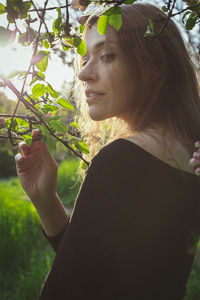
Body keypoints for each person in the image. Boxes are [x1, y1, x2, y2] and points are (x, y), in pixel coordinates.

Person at [15, 3, 200, 300]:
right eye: (85, 58)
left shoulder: (122, 160)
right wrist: (46, 200)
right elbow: (99, 271)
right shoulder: (189, 156)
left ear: (155, 64)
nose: (84, 74)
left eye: (107, 55)